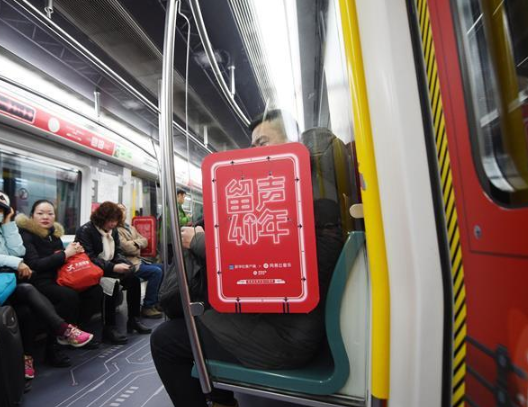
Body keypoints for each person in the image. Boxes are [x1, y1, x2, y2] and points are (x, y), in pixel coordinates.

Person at [150, 110, 344, 407]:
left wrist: (199, 241)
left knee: (165, 339)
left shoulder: (313, 203)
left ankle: (220, 400)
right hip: (280, 321)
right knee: (199, 313)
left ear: (293, 144)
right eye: (252, 146)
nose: (253, 153)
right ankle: (219, 398)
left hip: (284, 338)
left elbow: (282, 265)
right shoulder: (302, 194)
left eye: (262, 143)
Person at [0, 189, 93, 383]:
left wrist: (8, 224)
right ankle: (64, 330)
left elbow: (17, 251)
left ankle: (27, 357)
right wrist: (16, 263)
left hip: (7, 282)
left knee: (28, 312)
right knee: (30, 291)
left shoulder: (1, 229)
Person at [17, 199, 103, 366]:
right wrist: (65, 254)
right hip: (39, 281)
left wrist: (74, 253)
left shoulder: (54, 236)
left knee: (94, 291)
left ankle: (76, 331)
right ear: (32, 215)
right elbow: (35, 265)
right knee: (68, 296)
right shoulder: (26, 236)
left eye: (50, 214)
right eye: (40, 213)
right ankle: (53, 347)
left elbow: (61, 260)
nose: (45, 217)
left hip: (58, 277)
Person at [76, 202, 152, 344]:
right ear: (101, 219)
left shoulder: (113, 231)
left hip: (107, 267)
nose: (113, 224)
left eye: (116, 221)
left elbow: (117, 252)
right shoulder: (86, 231)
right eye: (110, 220)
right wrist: (113, 268)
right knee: (111, 285)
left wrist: (126, 264)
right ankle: (109, 328)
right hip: (91, 270)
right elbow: (89, 257)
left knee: (134, 280)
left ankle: (133, 319)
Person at [116, 204, 164, 319]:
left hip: (138, 260)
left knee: (163, 267)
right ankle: (148, 306)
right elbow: (127, 248)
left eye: (123, 210)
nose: (122, 212)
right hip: (129, 263)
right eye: (119, 210)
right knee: (156, 272)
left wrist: (135, 243)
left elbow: (144, 240)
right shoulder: (116, 230)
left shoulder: (130, 227)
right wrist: (138, 244)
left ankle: (155, 301)